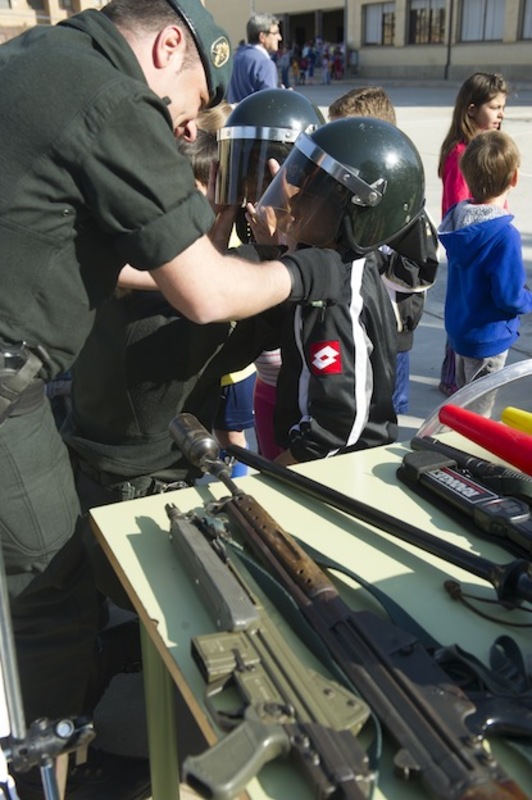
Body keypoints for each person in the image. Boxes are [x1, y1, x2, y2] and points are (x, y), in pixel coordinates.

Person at [0, 2, 348, 797]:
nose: (184, 133)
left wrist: (198, 251)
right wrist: (301, 275)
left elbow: (85, 250)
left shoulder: (39, 59)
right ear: (166, 47)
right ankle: (35, 767)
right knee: (49, 585)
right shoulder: (110, 97)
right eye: (184, 112)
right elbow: (203, 294)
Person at [197, 117, 428, 465]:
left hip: (337, 469)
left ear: (355, 212)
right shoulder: (324, 266)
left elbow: (340, 422)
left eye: (313, 193)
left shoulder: (335, 296)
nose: (295, 201)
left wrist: (277, 472)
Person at [328, 86, 439, 415]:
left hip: (390, 336)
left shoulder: (406, 208)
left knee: (387, 407)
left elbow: (420, 270)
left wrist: (370, 257)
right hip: (352, 326)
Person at [439, 129, 532, 391]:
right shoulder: (504, 235)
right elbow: (509, 296)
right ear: (514, 178)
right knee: (479, 411)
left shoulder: (456, 219)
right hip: (488, 338)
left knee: (465, 399)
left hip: (460, 331)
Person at [437, 72, 509, 396]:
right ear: (471, 109)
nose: (500, 114)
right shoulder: (462, 153)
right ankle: (455, 382)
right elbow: (457, 211)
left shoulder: (484, 150)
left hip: (482, 246)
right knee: (468, 317)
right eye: (494, 107)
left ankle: (456, 378)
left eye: (502, 107)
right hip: (473, 250)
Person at [226, 12, 282, 102]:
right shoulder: (265, 64)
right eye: (275, 33)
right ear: (262, 37)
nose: (280, 38)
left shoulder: (235, 57)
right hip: (255, 115)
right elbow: (270, 103)